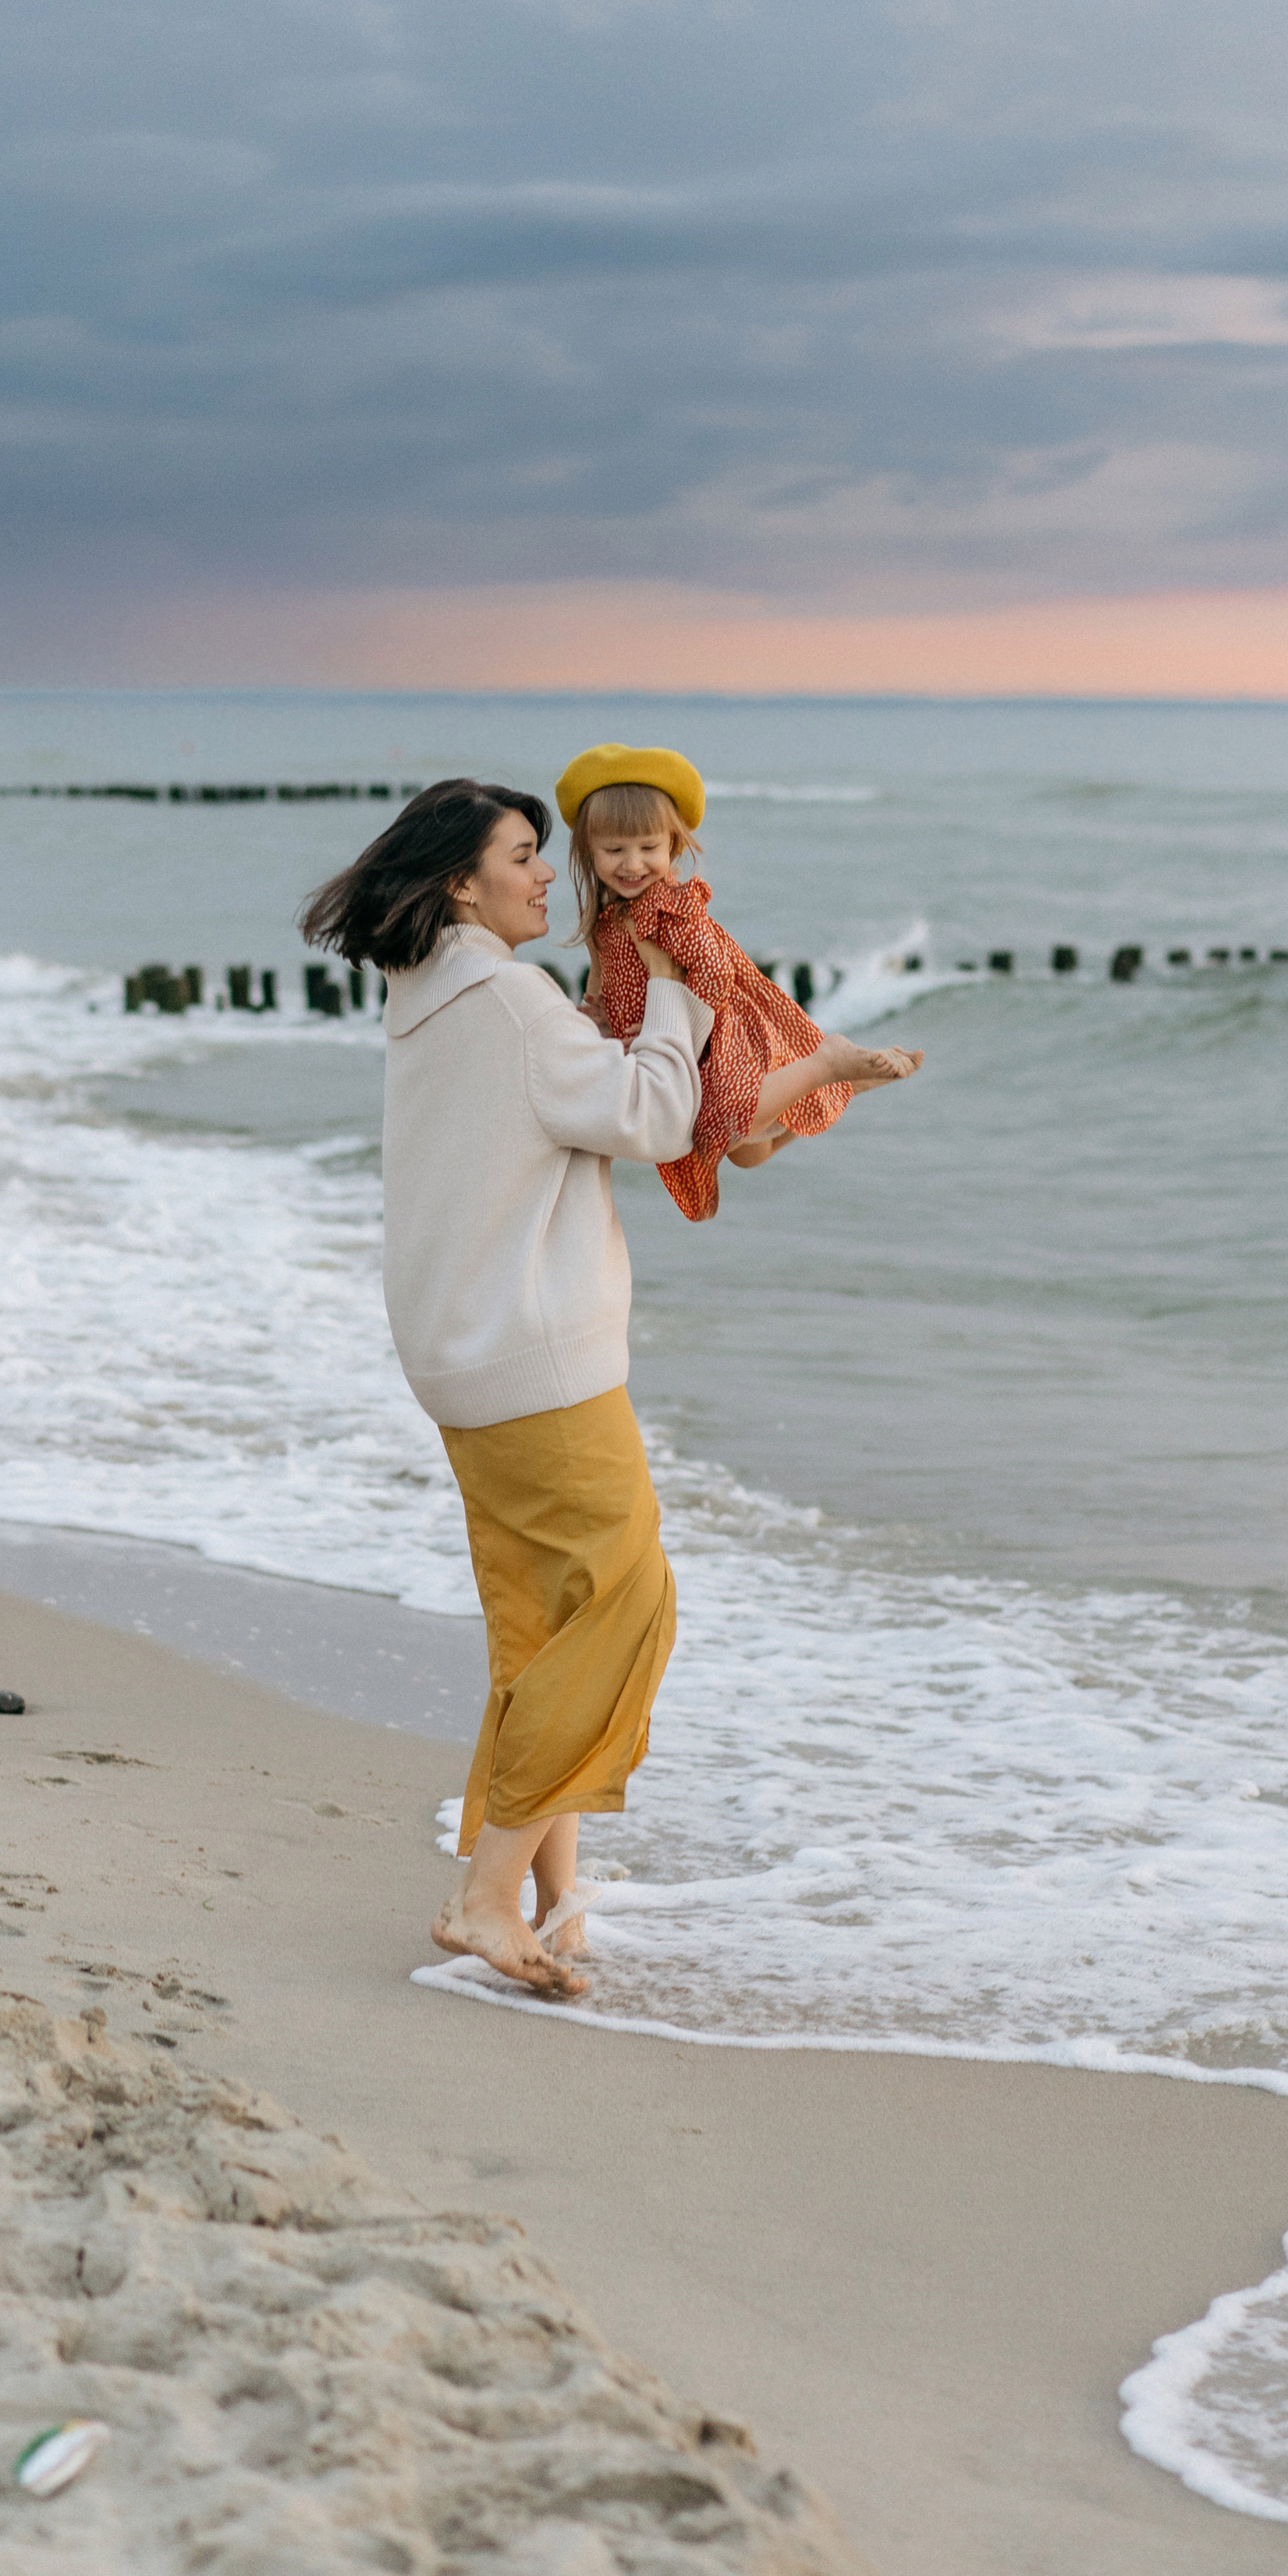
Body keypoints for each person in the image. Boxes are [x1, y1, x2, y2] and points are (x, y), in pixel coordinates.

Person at [299, 778, 712, 1999]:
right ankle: (483, 1895)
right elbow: (654, 1116)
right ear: (459, 884)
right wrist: (682, 985)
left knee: (541, 1626)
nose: (549, 875)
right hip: (537, 1357)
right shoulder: (510, 999)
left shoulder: (425, 992)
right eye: (526, 856)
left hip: (457, 1352)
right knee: (628, 1602)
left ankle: (553, 1900)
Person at [558, 740, 924, 1222]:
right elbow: (602, 976)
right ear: (589, 849)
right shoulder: (607, 915)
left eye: (649, 848)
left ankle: (829, 1064)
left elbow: (714, 972)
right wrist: (600, 1011)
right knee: (752, 1154)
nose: (632, 864)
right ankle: (841, 1087)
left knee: (726, 1128)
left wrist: (670, 1031)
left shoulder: (670, 910)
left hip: (712, 1041)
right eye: (614, 850)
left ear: (674, 845)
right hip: (662, 1046)